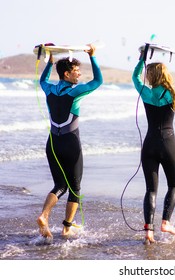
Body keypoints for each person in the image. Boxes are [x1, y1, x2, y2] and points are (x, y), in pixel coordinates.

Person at [132, 48, 175, 243]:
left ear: (150, 77)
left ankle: (149, 232)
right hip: (167, 144)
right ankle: (166, 222)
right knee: (174, 184)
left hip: (149, 144)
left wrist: (141, 58)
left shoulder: (144, 92)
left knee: (150, 190)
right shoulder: (174, 93)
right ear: (166, 75)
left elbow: (135, 77)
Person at [36, 44, 103, 240]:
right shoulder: (74, 91)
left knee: (59, 184)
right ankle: (66, 228)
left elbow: (43, 79)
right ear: (66, 74)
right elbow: (98, 81)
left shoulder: (49, 89)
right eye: (76, 71)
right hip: (71, 144)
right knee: (75, 188)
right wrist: (93, 56)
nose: (79, 75)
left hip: (53, 145)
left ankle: (44, 216)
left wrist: (49, 62)